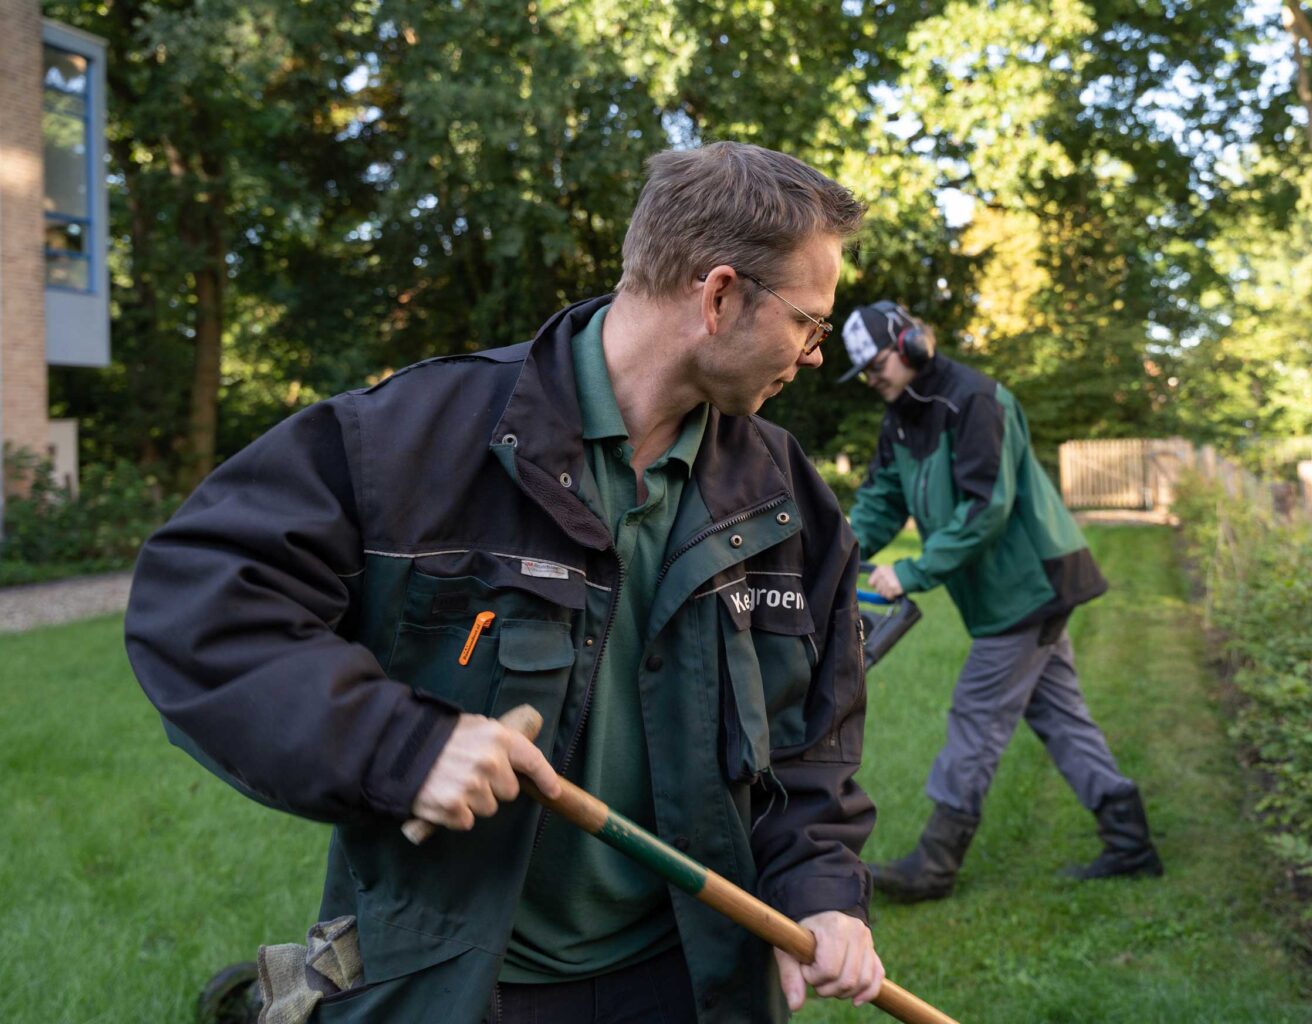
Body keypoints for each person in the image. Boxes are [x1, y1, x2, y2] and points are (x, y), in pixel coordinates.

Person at [125, 142, 884, 1024]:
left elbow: (813, 752)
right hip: (461, 986)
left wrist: (823, 889)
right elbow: (196, 603)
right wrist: (398, 745)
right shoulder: (411, 443)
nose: (817, 353)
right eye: (810, 322)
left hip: (695, 979)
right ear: (718, 296)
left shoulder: (787, 500)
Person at [840, 300, 1163, 903]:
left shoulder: (976, 400)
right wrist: (838, 554)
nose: (872, 378)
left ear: (911, 344)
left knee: (977, 713)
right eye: (862, 372)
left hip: (1031, 586)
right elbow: (883, 498)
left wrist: (911, 571)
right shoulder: (902, 416)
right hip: (1011, 592)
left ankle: (935, 865)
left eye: (876, 363)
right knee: (1059, 714)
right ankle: (1130, 841)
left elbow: (985, 507)